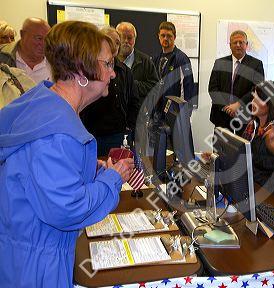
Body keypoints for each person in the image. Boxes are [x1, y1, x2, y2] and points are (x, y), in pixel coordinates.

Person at [0, 21, 134, 287]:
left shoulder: (47, 106)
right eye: (107, 64)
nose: (113, 73)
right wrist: (112, 178)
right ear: (83, 71)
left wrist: (89, 168)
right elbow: (68, 209)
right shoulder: (57, 134)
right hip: (37, 266)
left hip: (25, 252)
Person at [81, 26, 138, 156]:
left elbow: (134, 102)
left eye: (117, 42)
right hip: (95, 135)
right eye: (111, 41)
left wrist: (130, 126)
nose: (115, 45)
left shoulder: (125, 71)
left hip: (120, 134)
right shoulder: (91, 70)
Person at [209, 30, 264, 133]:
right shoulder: (220, 63)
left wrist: (239, 105)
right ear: (230, 45)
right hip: (221, 116)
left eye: (241, 42)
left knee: (242, 148)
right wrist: (227, 107)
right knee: (219, 148)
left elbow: (257, 89)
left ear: (246, 44)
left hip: (245, 117)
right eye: (235, 42)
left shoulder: (256, 64)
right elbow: (213, 88)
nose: (238, 45)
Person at [116, 21, 158, 120]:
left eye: (130, 38)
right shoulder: (109, 60)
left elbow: (155, 87)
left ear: (134, 39)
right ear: (117, 39)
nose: (126, 41)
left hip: (138, 118)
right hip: (115, 120)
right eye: (122, 37)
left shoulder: (145, 61)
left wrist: (132, 85)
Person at [152, 21, 194, 109]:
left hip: (174, 113)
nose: (165, 38)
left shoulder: (182, 59)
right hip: (157, 112)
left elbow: (187, 87)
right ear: (158, 36)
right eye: (163, 35)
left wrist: (184, 112)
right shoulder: (156, 59)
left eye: (169, 36)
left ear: (174, 37)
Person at [0, 17, 51, 83]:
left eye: (47, 39)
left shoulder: (57, 61)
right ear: (22, 34)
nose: (44, 43)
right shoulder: (4, 57)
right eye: (39, 38)